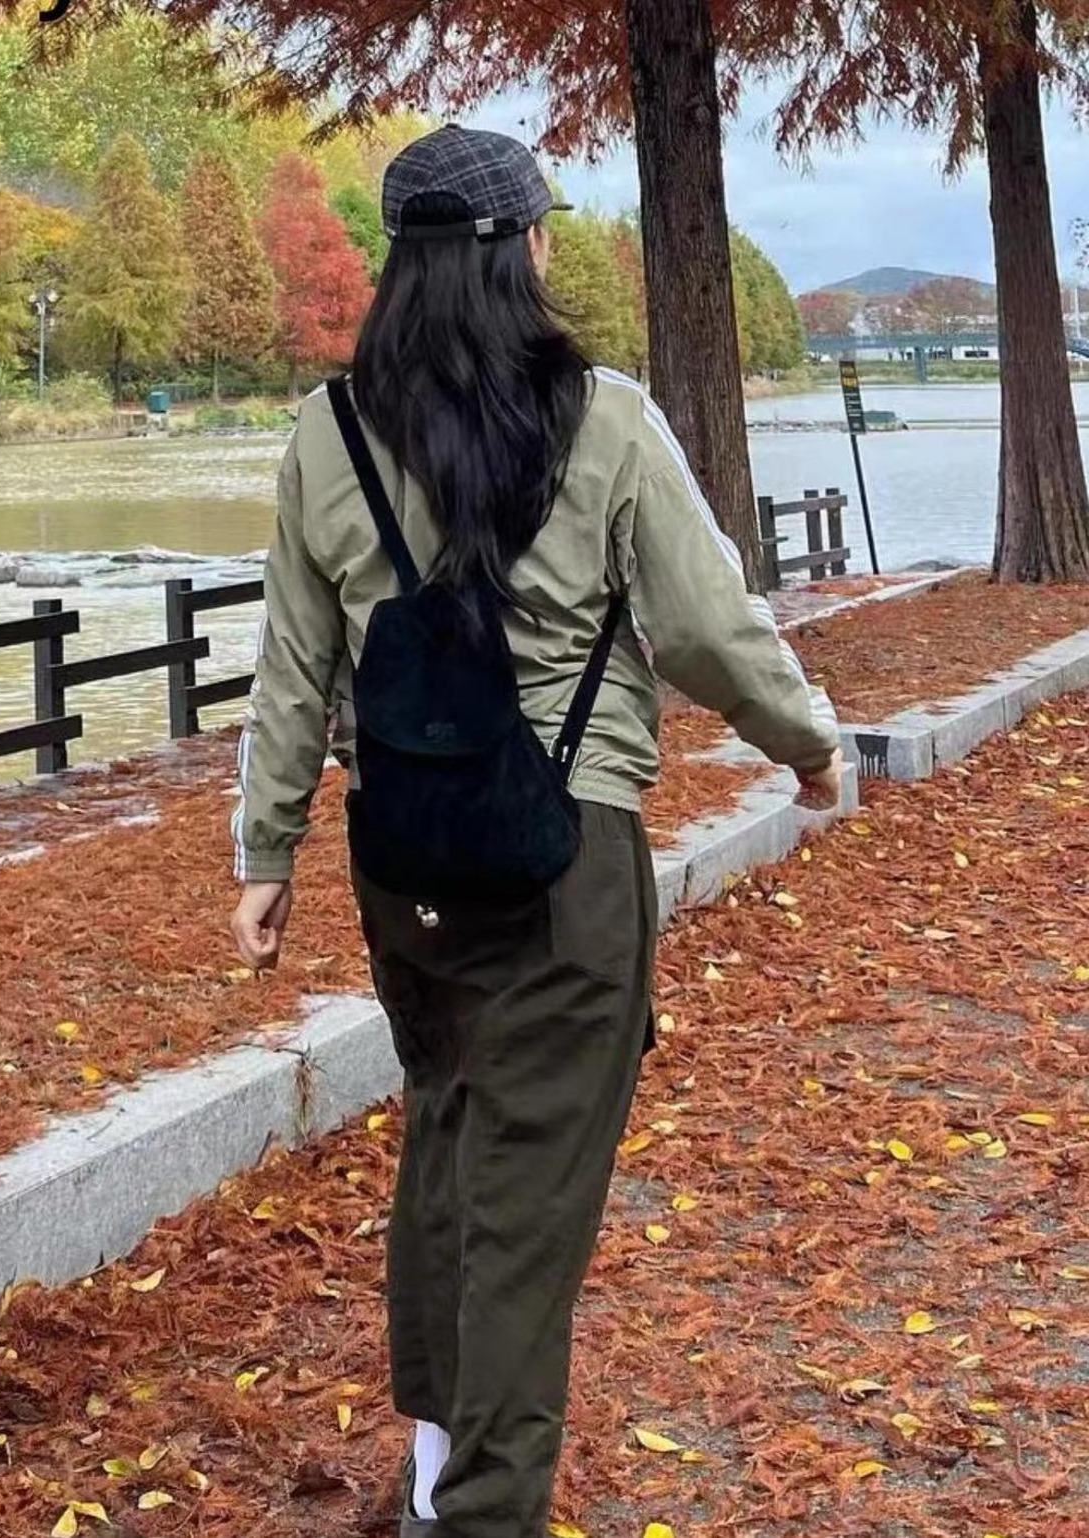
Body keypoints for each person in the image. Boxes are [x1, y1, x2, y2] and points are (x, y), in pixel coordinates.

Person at [231, 124, 843, 1538]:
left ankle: (437, 1466)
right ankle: (486, 1510)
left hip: (405, 858)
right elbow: (708, 626)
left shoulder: (328, 432)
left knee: (449, 1133)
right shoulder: (603, 417)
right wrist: (807, 743)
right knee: (527, 1198)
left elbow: (294, 669)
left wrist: (266, 855)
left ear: (401, 262)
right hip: (569, 857)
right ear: (520, 251)